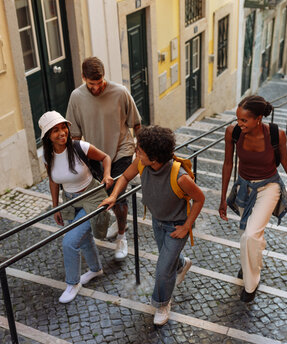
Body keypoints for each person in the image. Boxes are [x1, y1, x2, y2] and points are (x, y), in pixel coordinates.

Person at [100, 126, 205, 326]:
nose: (136, 153)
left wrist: (186, 227)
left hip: (176, 227)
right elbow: (124, 177)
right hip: (158, 222)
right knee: (170, 261)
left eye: (140, 150)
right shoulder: (141, 163)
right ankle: (182, 264)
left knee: (163, 268)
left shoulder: (180, 176)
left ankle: (162, 303)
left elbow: (200, 199)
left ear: (154, 158)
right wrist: (113, 196)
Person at [218, 96, 287, 303]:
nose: (239, 124)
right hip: (244, 187)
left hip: (269, 187)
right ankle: (250, 262)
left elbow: (285, 160)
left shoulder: (276, 134)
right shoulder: (233, 133)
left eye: (244, 120)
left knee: (249, 236)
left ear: (258, 119)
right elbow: (228, 163)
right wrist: (222, 198)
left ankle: (251, 284)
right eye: (237, 119)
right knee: (249, 235)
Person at [66, 57, 141, 261]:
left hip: (121, 151)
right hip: (95, 156)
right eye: (92, 84)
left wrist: (139, 149)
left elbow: (136, 123)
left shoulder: (120, 92)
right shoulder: (76, 97)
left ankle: (122, 238)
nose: (97, 88)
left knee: (118, 195)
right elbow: (74, 136)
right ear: (83, 78)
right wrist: (76, 163)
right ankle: (116, 221)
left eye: (100, 83)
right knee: (101, 196)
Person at [39, 111, 114, 304]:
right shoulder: (48, 157)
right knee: (83, 239)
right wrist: (55, 207)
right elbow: (54, 182)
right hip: (70, 200)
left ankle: (73, 283)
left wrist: (106, 175)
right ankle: (96, 269)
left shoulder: (80, 146)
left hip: (92, 196)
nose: (62, 132)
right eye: (55, 130)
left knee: (69, 242)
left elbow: (105, 157)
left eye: (63, 127)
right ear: (48, 136)